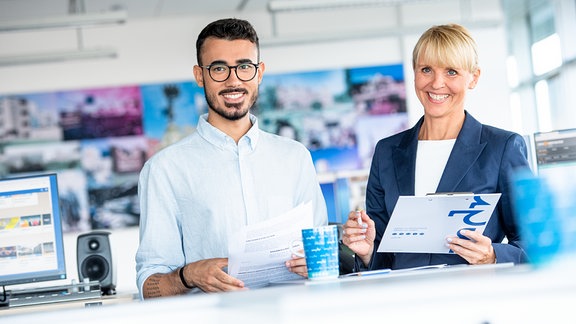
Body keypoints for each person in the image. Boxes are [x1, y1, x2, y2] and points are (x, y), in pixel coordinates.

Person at [135, 18, 328, 299]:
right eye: (219, 68)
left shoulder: (295, 157)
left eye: (244, 67)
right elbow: (148, 286)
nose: (233, 80)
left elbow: (321, 256)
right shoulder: (164, 169)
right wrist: (188, 275)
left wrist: (318, 262)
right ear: (200, 76)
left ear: (259, 72)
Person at [342, 24, 530, 272]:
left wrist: (493, 255)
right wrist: (366, 252)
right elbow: (383, 255)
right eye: (426, 69)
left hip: (473, 300)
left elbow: (534, 242)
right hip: (403, 302)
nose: (436, 83)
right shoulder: (387, 152)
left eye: (451, 72)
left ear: (473, 77)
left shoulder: (502, 148)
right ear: (415, 73)